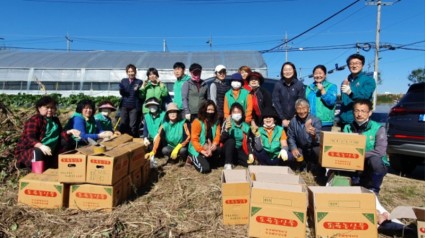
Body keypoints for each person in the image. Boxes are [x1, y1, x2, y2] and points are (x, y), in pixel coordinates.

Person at [15, 96, 80, 170]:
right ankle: (37, 172)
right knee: (38, 151)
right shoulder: (35, 120)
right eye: (47, 107)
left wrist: (69, 132)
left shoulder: (55, 120)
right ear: (39, 108)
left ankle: (58, 167)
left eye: (52, 108)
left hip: (50, 150)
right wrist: (41, 146)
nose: (50, 110)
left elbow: (59, 135)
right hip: (31, 151)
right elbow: (29, 137)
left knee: (66, 141)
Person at [343, 99, 389, 194]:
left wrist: (359, 155)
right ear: (353, 112)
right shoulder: (347, 127)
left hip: (371, 163)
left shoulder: (378, 128)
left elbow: (380, 151)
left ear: (370, 113)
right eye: (357, 110)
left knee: (375, 160)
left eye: (363, 111)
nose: (359, 114)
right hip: (353, 163)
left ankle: (374, 189)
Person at [287, 99, 323, 176]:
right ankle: (301, 166)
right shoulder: (293, 121)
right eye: (299, 109)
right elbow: (290, 137)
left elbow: (319, 139)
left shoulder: (316, 120)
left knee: (318, 151)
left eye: (304, 108)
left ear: (308, 109)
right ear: (296, 110)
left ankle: (316, 168)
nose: (302, 111)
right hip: (301, 147)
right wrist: (293, 148)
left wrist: (314, 136)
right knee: (291, 154)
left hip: (313, 146)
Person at [339, 54, 376, 127]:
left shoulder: (369, 80)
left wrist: (350, 93)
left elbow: (365, 97)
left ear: (362, 65)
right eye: (351, 63)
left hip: (359, 122)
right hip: (344, 122)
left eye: (357, 63)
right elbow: (344, 101)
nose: (354, 66)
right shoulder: (345, 82)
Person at [188, 100, 222, 173]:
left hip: (210, 146)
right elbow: (194, 139)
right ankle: (191, 157)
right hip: (198, 147)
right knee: (205, 169)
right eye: (208, 109)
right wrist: (202, 150)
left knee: (218, 153)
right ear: (204, 110)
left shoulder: (216, 122)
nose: (210, 112)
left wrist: (214, 144)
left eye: (212, 110)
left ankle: (206, 158)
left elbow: (217, 135)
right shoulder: (197, 122)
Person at [272, 62, 306, 129]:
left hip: (296, 119)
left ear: (294, 70)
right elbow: (276, 102)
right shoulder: (278, 85)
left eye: (290, 69)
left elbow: (301, 102)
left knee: (294, 138)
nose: (287, 72)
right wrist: (283, 118)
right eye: (285, 70)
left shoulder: (299, 84)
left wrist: (295, 117)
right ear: (282, 72)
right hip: (280, 120)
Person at [221, 102, 254, 170]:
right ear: (231, 114)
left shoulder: (246, 126)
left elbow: (249, 141)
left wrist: (251, 153)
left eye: (238, 112)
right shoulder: (227, 123)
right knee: (231, 141)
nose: (236, 114)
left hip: (239, 149)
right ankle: (228, 163)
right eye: (234, 112)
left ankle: (234, 160)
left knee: (250, 163)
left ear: (242, 113)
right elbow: (221, 139)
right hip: (227, 149)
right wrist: (226, 130)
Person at [305, 65, 337, 131]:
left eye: (320, 73)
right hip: (310, 121)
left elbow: (331, 102)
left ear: (325, 75)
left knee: (323, 141)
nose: (318, 75)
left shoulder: (331, 86)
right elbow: (305, 102)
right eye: (316, 73)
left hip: (324, 123)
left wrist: (322, 90)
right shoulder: (309, 88)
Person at [118, 64, 143, 137]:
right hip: (124, 106)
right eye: (129, 71)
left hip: (134, 107)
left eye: (132, 71)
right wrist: (121, 90)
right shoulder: (123, 81)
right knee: (123, 123)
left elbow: (140, 94)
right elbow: (122, 93)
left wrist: (138, 89)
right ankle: (122, 139)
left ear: (135, 72)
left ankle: (132, 140)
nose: (130, 73)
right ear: (127, 72)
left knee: (132, 125)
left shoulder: (139, 82)